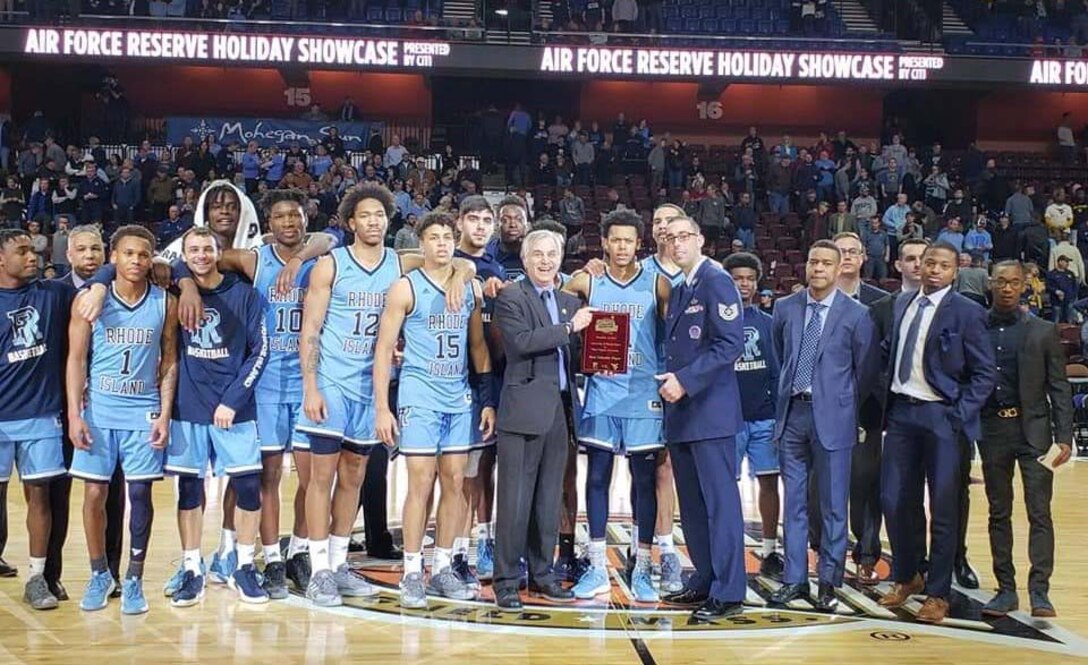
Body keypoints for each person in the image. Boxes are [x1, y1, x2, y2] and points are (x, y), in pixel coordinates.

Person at [296, 184, 475, 607]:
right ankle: (318, 568)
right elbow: (310, 330)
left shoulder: (400, 261)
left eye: (380, 214)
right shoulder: (330, 265)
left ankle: (338, 562)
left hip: (371, 385)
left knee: (355, 476)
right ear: (351, 222)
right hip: (333, 385)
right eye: (366, 215)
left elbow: (455, 260)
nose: (374, 221)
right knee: (320, 478)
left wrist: (464, 275)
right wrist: (311, 387)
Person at [167, 190, 336, 598]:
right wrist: (186, 283)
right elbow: (182, 260)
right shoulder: (253, 258)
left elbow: (329, 237)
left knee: (312, 477)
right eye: (279, 217)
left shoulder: (322, 257)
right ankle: (269, 557)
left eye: (295, 215)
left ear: (304, 217)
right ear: (268, 222)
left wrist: (297, 260)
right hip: (263, 386)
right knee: (266, 477)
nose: (288, 223)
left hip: (309, 379)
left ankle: (299, 551)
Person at [373, 212, 494, 608]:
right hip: (419, 396)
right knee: (420, 483)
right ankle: (412, 571)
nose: (442, 244)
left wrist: (488, 398)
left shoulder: (470, 287)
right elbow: (383, 350)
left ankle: (442, 567)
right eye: (434, 237)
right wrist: (381, 408)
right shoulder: (405, 288)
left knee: (456, 483)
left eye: (447, 237)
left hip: (458, 398)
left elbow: (478, 347)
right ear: (421, 244)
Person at [880, 242, 996, 623]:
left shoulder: (968, 312)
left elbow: (984, 374)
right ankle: (906, 575)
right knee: (895, 500)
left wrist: (957, 415)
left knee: (943, 510)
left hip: (942, 417)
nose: (933, 270)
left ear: (954, 272)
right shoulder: (904, 303)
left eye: (943, 265)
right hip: (901, 415)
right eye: (929, 262)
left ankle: (938, 592)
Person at [561, 210, 671, 603]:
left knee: (643, 481)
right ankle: (594, 564)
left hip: (643, 395)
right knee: (597, 477)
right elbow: (550, 296)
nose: (622, 247)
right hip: (602, 392)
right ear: (604, 242)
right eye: (615, 240)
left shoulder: (657, 283)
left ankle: (642, 565)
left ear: (638, 243)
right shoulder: (587, 281)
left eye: (629, 240)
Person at [66, 225, 177, 615]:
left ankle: (133, 577)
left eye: (143, 255)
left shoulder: (165, 302)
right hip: (99, 409)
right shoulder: (90, 300)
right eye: (128, 254)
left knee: (140, 495)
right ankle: (99, 573)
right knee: (94, 494)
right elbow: (76, 360)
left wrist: (164, 413)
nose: (135, 261)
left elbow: (169, 360)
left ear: (152, 260)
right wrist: (75, 414)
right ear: (114, 257)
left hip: (142, 410)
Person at [769, 240, 879, 611]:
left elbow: (865, 372)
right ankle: (794, 579)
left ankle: (828, 582)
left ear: (838, 269)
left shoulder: (858, 314)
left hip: (834, 417)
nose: (818, 268)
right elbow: (779, 354)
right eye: (813, 261)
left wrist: (843, 403)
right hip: (793, 414)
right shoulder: (785, 307)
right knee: (794, 504)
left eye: (826, 263)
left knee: (834, 507)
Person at [491, 229, 590, 611]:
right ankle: (506, 581)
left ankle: (543, 574)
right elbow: (521, 343)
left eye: (552, 255)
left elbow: (577, 356)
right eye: (538, 255)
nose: (546, 261)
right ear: (527, 259)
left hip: (560, 413)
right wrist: (569, 329)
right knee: (514, 502)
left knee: (549, 501)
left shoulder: (568, 300)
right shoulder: (512, 296)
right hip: (522, 412)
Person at [656, 216, 746, 620]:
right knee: (692, 506)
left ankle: (729, 591)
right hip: (683, 415)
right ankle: (705, 579)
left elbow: (730, 344)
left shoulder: (716, 280)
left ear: (700, 238)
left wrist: (686, 382)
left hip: (709, 413)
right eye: (669, 237)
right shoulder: (680, 287)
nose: (676, 244)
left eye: (684, 236)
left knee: (720, 505)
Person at [979, 261, 1073, 618]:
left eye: (1014, 282)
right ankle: (1005, 590)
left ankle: (1040, 591)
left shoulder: (1044, 330)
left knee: (1040, 513)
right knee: (998, 512)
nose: (1006, 288)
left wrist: (1064, 437)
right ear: (990, 284)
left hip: (1034, 432)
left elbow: (1059, 387)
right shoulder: (977, 328)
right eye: (1000, 282)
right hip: (992, 431)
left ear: (1025, 285)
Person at [0, 228, 73, 610]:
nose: (34, 257)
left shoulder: (52, 293)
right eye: (23, 251)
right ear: (1, 259)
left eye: (35, 251)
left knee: (40, 496)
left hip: (41, 415)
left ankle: (37, 576)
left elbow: (95, 281)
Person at [723, 252, 784, 580]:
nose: (743, 284)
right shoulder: (717, 321)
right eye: (737, 279)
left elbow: (777, 370)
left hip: (763, 418)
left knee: (769, 482)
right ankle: (729, 546)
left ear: (757, 284)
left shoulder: (768, 323)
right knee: (726, 486)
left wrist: (775, 412)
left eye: (749, 279)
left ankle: (770, 548)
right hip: (729, 420)